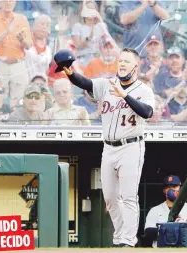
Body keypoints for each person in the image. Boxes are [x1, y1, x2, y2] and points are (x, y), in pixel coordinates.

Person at [60, 47, 155, 247]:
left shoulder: (143, 90)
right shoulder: (106, 85)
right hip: (109, 148)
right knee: (110, 197)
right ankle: (120, 236)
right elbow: (84, 82)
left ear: (135, 67)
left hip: (131, 146)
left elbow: (147, 112)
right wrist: (70, 72)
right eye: (120, 61)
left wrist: (125, 96)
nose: (121, 64)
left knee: (128, 196)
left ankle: (128, 241)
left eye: (126, 61)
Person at [144, 175, 187, 248]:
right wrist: (180, 230)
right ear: (164, 190)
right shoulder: (155, 210)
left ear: (180, 188)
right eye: (168, 187)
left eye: (174, 186)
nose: (171, 189)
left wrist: (165, 230)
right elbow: (149, 232)